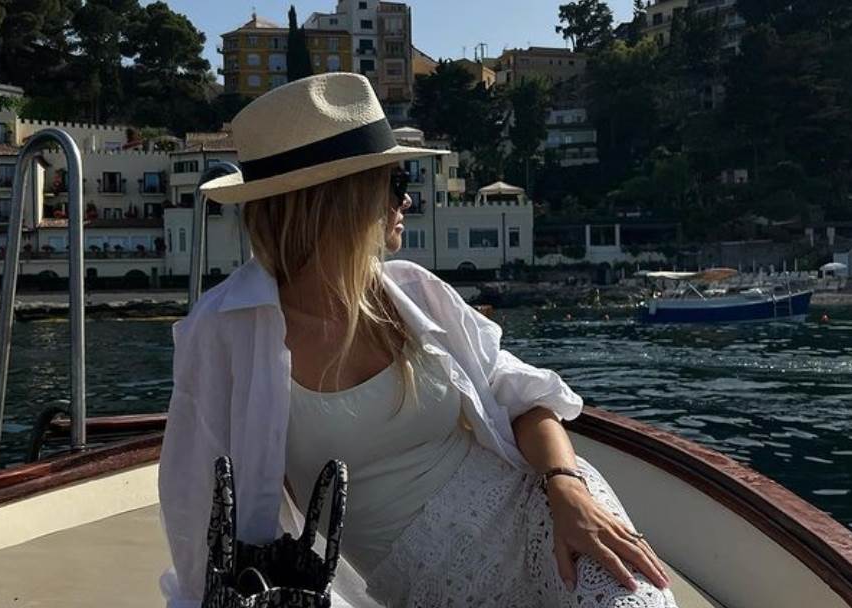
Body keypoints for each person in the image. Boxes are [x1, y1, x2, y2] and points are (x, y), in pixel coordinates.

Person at [158, 73, 677, 608]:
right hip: (430, 586)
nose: (406, 199)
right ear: (342, 199)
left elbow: (520, 395)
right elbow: (195, 507)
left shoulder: (414, 292)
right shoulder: (226, 330)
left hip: (544, 507)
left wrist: (566, 486)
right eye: (395, 181)